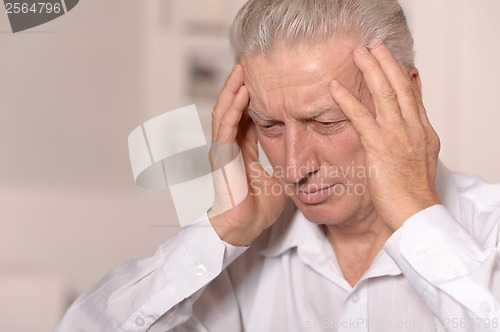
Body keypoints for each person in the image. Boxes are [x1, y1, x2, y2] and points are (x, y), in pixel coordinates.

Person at [56, 0, 500, 331]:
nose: (292, 165)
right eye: (269, 125)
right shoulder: (234, 262)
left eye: (325, 122)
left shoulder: (490, 229)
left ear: (405, 96)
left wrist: (414, 217)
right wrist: (222, 230)